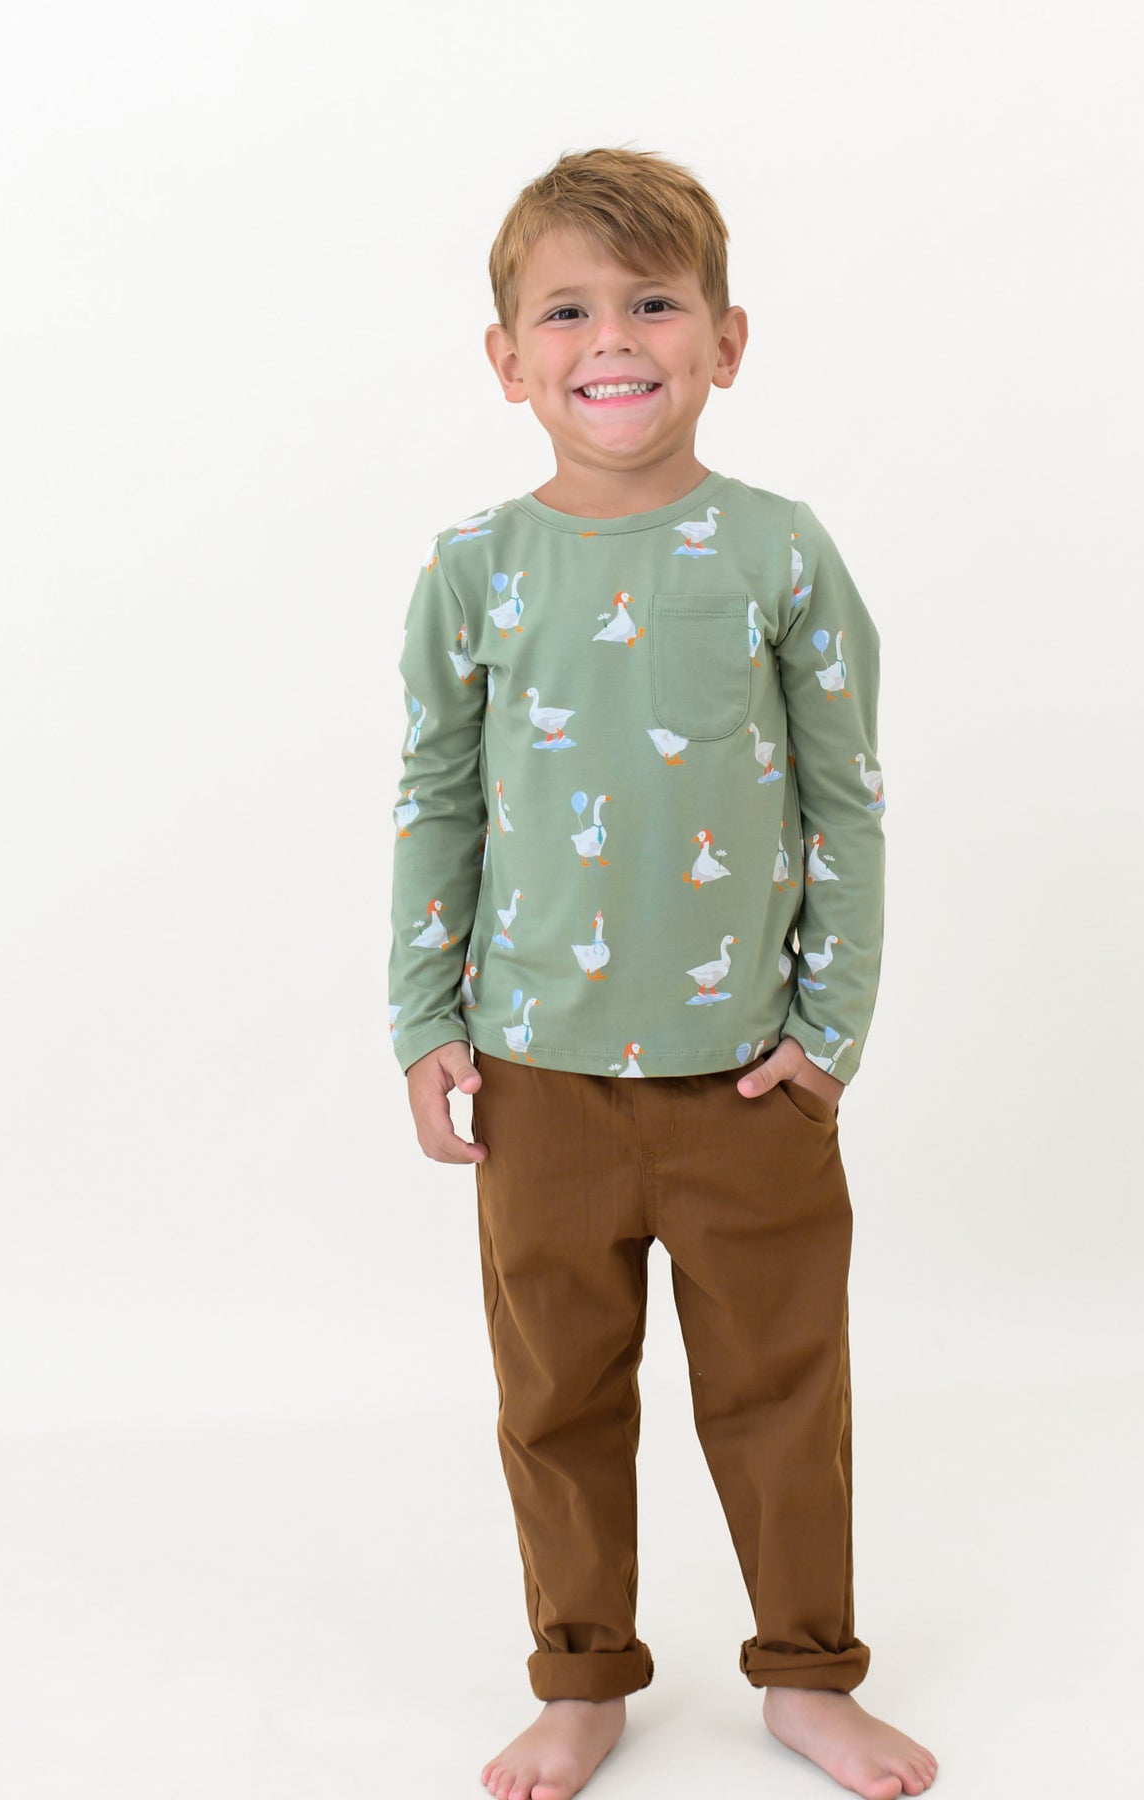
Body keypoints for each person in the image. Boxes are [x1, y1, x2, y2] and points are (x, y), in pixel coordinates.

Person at [386, 146, 934, 1800]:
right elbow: (437, 798)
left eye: (651, 301)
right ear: (508, 359)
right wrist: (427, 1020)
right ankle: (581, 1679)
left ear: (725, 337)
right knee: (556, 1399)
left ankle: (805, 1672)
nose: (611, 338)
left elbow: (846, 792)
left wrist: (830, 1028)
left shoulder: (778, 553)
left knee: (782, 1392)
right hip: (539, 1075)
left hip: (747, 1077)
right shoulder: (472, 571)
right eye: (566, 309)